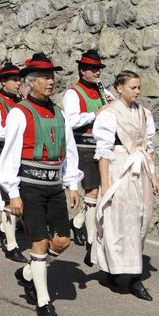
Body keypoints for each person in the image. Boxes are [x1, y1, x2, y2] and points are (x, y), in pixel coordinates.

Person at [0, 53, 81, 316]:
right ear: (30, 82)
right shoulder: (19, 114)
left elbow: (69, 150)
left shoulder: (59, 113)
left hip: (55, 185)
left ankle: (28, 274)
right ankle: (44, 301)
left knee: (62, 241)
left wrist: (73, 183)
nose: (50, 81)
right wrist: (13, 193)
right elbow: (8, 155)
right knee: (39, 242)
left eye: (52, 77)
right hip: (30, 185)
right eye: (44, 77)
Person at [93, 70, 159, 301]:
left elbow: (147, 147)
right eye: (133, 87)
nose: (138, 91)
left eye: (139, 87)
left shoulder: (144, 113)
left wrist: (153, 177)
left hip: (139, 170)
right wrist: (106, 187)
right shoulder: (109, 114)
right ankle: (128, 275)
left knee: (141, 219)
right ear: (119, 88)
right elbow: (103, 153)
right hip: (119, 168)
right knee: (119, 221)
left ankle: (125, 269)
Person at [62, 50, 115, 266]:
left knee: (104, 191)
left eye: (98, 68)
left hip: (103, 148)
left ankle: (79, 220)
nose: (97, 72)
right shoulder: (73, 93)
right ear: (82, 71)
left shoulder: (104, 90)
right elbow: (71, 121)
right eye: (93, 69)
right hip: (83, 146)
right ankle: (92, 243)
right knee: (93, 191)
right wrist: (96, 113)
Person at [0, 61, 26, 262]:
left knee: (21, 195)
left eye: (20, 80)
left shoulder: (22, 102)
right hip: (2, 153)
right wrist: (20, 132)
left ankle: (4, 228)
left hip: (21, 153)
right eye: (15, 80)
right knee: (8, 197)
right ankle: (11, 244)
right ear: (3, 82)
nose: (19, 84)